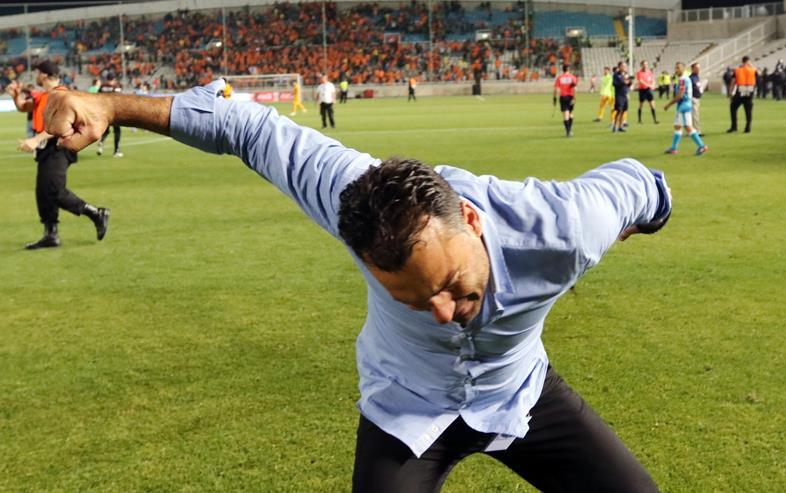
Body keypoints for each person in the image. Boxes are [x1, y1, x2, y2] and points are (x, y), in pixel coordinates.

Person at [44, 78, 670, 492]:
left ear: (471, 220)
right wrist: (111, 106)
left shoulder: (563, 227)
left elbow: (644, 184)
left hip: (521, 392)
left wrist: (644, 220)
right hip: (405, 405)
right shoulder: (353, 198)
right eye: (413, 299)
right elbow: (249, 129)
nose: (443, 313)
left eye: (451, 284)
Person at [7, 60, 109, 249]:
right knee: (43, 192)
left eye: (37, 73)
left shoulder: (62, 95)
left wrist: (35, 139)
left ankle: (96, 213)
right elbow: (24, 107)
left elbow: (60, 126)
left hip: (60, 146)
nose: (35, 76)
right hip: (47, 148)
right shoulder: (43, 95)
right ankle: (50, 234)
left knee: (54, 191)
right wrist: (15, 96)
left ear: (44, 75)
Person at [664, 62, 708, 156]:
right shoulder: (682, 79)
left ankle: (702, 146)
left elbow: (680, 95)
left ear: (683, 69)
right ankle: (674, 148)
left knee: (688, 127)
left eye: (678, 68)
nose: (676, 70)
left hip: (684, 106)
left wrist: (668, 104)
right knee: (677, 126)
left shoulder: (683, 79)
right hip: (682, 106)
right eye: (675, 68)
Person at [727, 56, 757, 134]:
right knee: (748, 110)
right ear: (748, 61)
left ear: (742, 61)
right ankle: (748, 128)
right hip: (750, 91)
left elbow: (733, 82)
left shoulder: (737, 70)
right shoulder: (753, 70)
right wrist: (752, 66)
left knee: (733, 108)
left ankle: (734, 127)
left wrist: (730, 93)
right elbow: (758, 75)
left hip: (740, 91)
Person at [97, 77, 124, 156]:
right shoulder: (115, 86)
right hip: (114, 112)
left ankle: (101, 142)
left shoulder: (102, 86)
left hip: (104, 111)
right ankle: (116, 151)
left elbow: (97, 96)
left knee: (106, 130)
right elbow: (120, 98)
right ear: (113, 79)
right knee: (117, 131)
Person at [553, 64, 578, 137]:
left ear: (563, 70)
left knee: (565, 114)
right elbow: (575, 89)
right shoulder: (573, 77)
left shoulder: (559, 78)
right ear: (568, 69)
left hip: (563, 97)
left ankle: (568, 132)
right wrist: (574, 98)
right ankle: (570, 130)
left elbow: (556, 89)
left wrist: (554, 98)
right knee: (571, 113)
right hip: (571, 97)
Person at [612, 61, 632, 133]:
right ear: (619, 67)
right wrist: (623, 82)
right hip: (619, 95)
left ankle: (620, 126)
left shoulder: (626, 74)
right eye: (623, 66)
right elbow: (614, 84)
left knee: (623, 111)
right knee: (619, 110)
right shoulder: (616, 75)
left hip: (625, 94)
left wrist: (629, 82)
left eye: (625, 66)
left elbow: (628, 84)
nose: (624, 67)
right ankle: (615, 126)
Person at [689, 62, 704, 136]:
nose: (698, 70)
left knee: (694, 115)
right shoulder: (691, 78)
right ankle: (697, 131)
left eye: (699, 68)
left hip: (696, 97)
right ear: (692, 69)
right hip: (693, 98)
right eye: (697, 68)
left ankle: (691, 130)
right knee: (695, 115)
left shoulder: (696, 77)